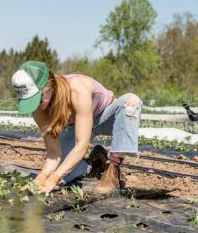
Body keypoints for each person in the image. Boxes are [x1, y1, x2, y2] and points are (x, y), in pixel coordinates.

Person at [11, 61, 142, 194]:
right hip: (74, 127)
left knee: (131, 102)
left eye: (38, 99)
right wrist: (41, 178)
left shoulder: (77, 89)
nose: (36, 106)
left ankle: (113, 170)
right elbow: (53, 153)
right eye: (30, 101)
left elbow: (82, 145)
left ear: (49, 86)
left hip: (104, 117)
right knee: (64, 170)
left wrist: (53, 179)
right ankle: (95, 162)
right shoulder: (38, 109)